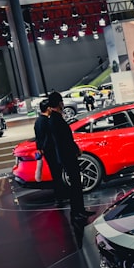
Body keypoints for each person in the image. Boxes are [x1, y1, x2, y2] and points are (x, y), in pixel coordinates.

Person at [46, 91, 93, 223]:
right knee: (75, 184)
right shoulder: (57, 120)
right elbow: (65, 140)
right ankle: (77, 211)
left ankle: (80, 210)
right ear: (60, 103)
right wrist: (75, 149)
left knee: (76, 183)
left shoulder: (54, 119)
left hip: (65, 155)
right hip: (67, 156)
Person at [33, 98, 66, 205]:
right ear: (48, 108)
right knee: (57, 174)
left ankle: (60, 196)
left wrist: (40, 148)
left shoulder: (38, 121)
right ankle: (60, 197)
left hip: (46, 151)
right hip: (51, 151)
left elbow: (38, 138)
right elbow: (49, 137)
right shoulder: (46, 121)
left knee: (55, 173)